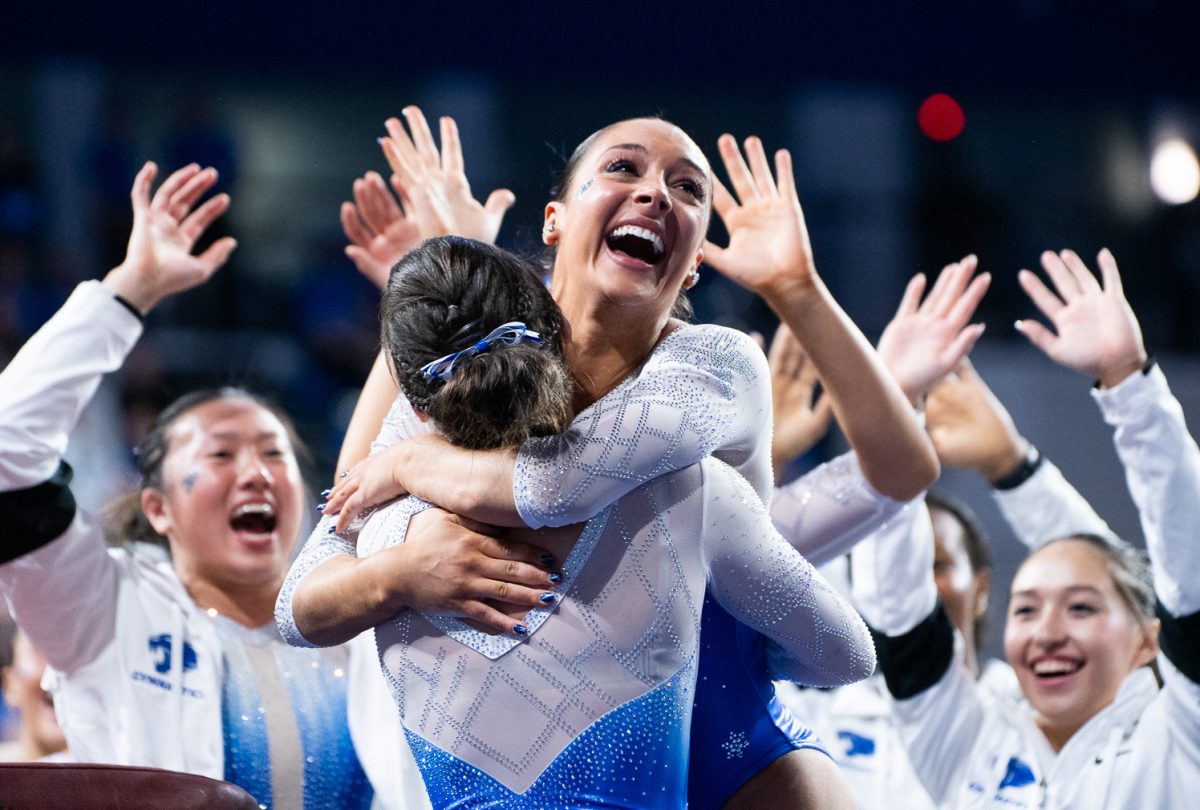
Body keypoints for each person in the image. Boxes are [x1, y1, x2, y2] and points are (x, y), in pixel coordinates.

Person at [281, 107, 991, 807]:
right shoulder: (470, 374)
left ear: (691, 269)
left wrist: (409, 469)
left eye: (688, 189)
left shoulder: (713, 361)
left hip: (732, 752)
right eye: (624, 167)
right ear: (554, 221)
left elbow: (558, 484)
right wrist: (399, 572)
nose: (656, 192)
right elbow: (309, 587)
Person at [293, 233, 881, 807]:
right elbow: (845, 655)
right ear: (550, 338)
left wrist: (396, 548)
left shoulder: (377, 525)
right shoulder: (690, 492)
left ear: (416, 400)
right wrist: (709, 646)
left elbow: (295, 611)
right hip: (745, 768)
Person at [0, 162, 374, 809]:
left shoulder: (369, 620)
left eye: (272, 453)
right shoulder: (102, 611)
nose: (255, 472)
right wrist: (128, 291)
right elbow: (7, 449)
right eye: (221, 454)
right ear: (158, 508)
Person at [860, 249, 1200, 808]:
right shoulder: (964, 742)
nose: (1047, 633)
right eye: (1025, 609)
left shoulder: (1176, 739)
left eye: (1082, 608)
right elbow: (897, 606)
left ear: (1148, 639)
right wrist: (896, 405)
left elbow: (1184, 564)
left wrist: (1128, 385)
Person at [0, 628, 68, 762]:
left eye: (77, 655)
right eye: (42, 652)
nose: (57, 673)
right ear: (10, 684)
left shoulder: (117, 775)